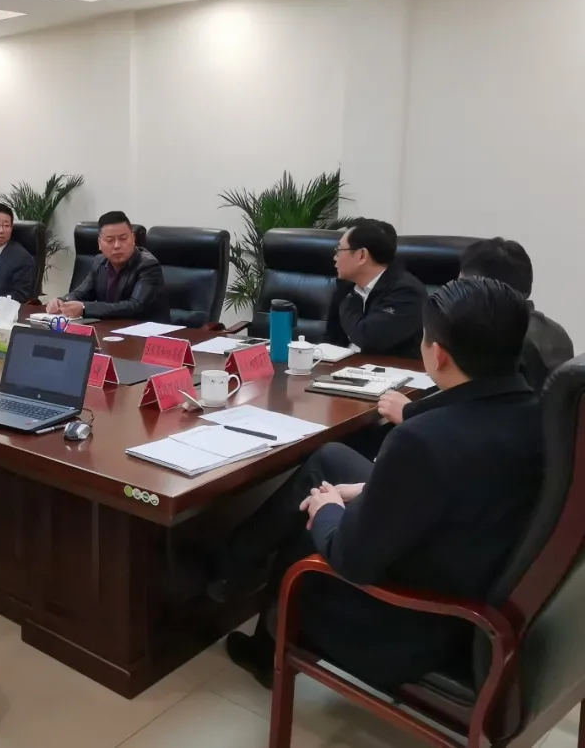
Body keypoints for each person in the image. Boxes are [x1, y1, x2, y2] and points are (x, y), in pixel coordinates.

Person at [213, 278, 542, 692]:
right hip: (471, 559)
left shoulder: (422, 440)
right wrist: (369, 492)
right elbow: (464, 483)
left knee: (309, 521)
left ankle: (266, 646)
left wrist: (329, 511)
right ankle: (234, 564)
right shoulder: (539, 414)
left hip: (414, 622)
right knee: (330, 460)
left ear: (438, 354)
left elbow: (351, 559)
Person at [378, 238, 574, 426]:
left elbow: (478, 398)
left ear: (484, 290)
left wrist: (411, 412)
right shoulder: (555, 330)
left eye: (462, 284)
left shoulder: (503, 335)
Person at [324, 219, 427, 358]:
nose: (335, 257)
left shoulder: (407, 292)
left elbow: (367, 338)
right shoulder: (347, 285)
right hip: (344, 366)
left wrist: (350, 298)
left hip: (389, 368)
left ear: (361, 256)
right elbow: (330, 338)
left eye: (339, 250)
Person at [46, 211, 169, 321]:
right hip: (111, 329)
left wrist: (84, 308)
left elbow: (135, 306)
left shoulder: (148, 265)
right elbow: (81, 293)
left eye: (123, 239)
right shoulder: (99, 262)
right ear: (100, 243)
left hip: (147, 332)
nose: (117, 246)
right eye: (110, 240)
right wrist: (62, 301)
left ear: (133, 239)